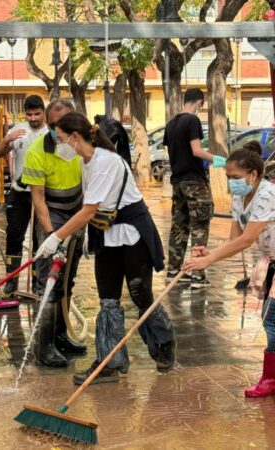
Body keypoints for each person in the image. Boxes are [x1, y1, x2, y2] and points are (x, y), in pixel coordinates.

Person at [35, 112, 175, 384]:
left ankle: (164, 342)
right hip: (106, 234)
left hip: (132, 233)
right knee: (107, 299)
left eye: (60, 139)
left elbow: (88, 211)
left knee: (139, 293)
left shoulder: (107, 162)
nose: (59, 145)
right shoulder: (86, 161)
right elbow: (91, 208)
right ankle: (109, 362)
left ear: (75, 138)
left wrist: (56, 238)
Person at [183, 141, 275, 398]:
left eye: (235, 177)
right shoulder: (239, 197)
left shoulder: (268, 195)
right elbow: (233, 240)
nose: (231, 182)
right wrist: (209, 252)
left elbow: (247, 240)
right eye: (228, 177)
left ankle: (273, 379)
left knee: (270, 317)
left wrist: (209, 261)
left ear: (253, 175)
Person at [22, 98, 87, 367]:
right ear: (49, 126)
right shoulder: (37, 151)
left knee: (67, 278)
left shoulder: (82, 145)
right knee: (49, 282)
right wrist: (51, 236)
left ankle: (61, 335)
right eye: (58, 126)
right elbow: (38, 200)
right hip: (52, 214)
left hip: (78, 211)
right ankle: (44, 345)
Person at [163, 88, 226, 289]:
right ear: (199, 102)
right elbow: (196, 151)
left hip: (178, 183)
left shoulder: (171, 124)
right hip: (195, 183)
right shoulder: (192, 121)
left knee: (179, 227)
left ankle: (174, 271)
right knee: (200, 226)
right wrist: (220, 160)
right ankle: (198, 275)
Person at [0, 95, 48, 297]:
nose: (33, 118)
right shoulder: (18, 131)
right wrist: (7, 139)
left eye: (37, 114)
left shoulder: (50, 133)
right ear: (24, 114)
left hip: (42, 193)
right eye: (29, 114)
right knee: (14, 236)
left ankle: (37, 282)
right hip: (19, 193)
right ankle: (11, 281)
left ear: (43, 112)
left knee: (39, 239)